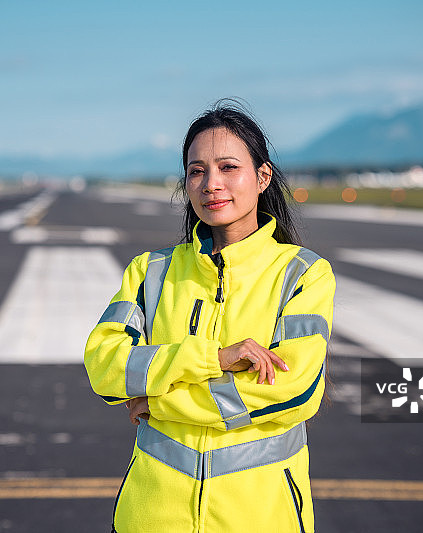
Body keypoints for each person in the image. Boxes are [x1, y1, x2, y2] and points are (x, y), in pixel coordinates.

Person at [84, 100, 335, 533]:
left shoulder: (302, 273)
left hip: (260, 519)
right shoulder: (150, 273)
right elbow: (105, 368)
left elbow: (294, 390)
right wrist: (212, 360)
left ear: (262, 177)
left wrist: (160, 400)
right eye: (197, 170)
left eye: (228, 167)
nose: (211, 184)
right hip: (151, 517)